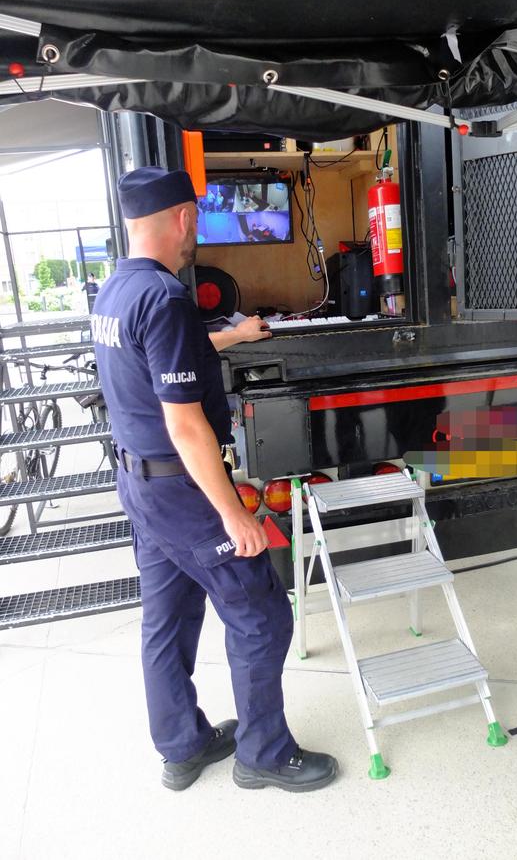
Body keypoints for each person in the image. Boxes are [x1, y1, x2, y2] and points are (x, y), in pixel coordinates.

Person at [91, 166, 338, 793]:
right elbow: (186, 425)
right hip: (184, 490)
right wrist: (234, 513)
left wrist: (230, 337)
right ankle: (262, 752)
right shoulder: (167, 295)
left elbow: (166, 365)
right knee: (260, 613)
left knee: (167, 619)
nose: (194, 229)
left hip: (140, 486)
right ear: (180, 218)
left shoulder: (115, 292)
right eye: (195, 217)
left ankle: (182, 745)